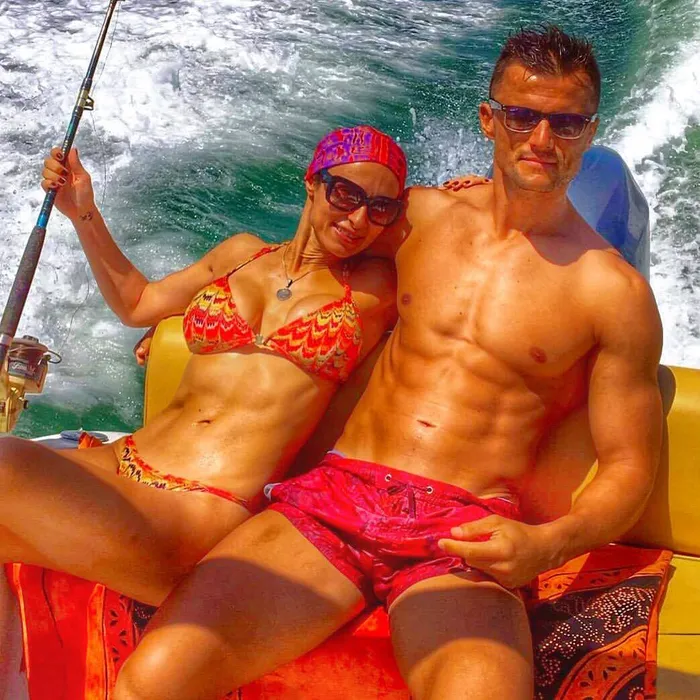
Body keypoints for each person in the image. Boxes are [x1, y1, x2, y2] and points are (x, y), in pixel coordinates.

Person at [113, 24, 663, 700]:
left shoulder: (613, 293)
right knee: (150, 682)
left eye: (567, 123)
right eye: (523, 116)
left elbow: (630, 468)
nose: (542, 140)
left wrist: (547, 545)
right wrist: (191, 311)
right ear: (488, 120)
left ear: (590, 131)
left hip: (462, 533)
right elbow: (304, 258)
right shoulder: (418, 218)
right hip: (332, 501)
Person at [0, 126, 403, 615]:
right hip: (121, 461)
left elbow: (454, 242)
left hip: (201, 507)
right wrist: (81, 208)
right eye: (346, 194)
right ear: (312, 182)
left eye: (380, 207)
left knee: (6, 466)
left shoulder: (379, 289)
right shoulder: (242, 254)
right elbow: (138, 302)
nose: (359, 218)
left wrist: (465, 192)